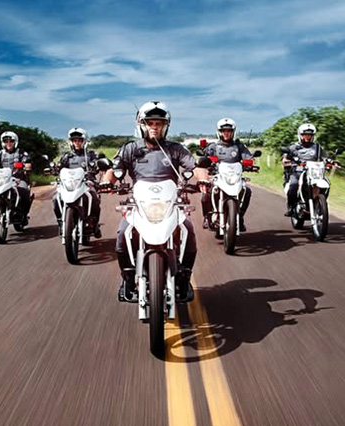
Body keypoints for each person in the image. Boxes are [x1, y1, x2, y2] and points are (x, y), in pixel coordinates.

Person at [101, 101, 209, 303]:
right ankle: (127, 278)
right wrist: (107, 182)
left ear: (165, 126)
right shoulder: (130, 148)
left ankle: (184, 277)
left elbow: (195, 166)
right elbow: (114, 169)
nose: (154, 127)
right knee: (123, 232)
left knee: (187, 229)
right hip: (139, 203)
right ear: (141, 125)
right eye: (149, 123)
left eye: (158, 123)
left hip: (170, 202)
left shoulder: (176, 149)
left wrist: (203, 180)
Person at [200, 118, 254, 231]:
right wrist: (205, 162)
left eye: (229, 131)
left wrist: (250, 164)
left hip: (234, 176)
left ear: (233, 132)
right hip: (218, 175)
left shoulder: (239, 146)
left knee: (247, 191)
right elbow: (205, 157)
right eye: (223, 131)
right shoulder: (213, 146)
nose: (226, 133)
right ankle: (206, 217)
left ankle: (240, 217)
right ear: (219, 132)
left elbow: (248, 157)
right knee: (206, 193)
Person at [52, 127, 102, 238]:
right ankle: (61, 222)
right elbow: (59, 167)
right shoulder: (66, 156)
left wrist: (96, 165)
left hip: (86, 182)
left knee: (94, 196)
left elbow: (97, 163)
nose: (77, 143)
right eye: (74, 140)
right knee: (56, 198)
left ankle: (94, 224)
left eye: (79, 140)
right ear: (71, 142)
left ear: (84, 141)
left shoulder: (90, 155)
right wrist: (54, 169)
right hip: (69, 184)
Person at [281, 123, 327, 216]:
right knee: (293, 185)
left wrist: (331, 162)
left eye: (310, 135)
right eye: (305, 134)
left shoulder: (318, 147)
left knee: (326, 184)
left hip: (314, 172)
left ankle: (319, 204)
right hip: (298, 171)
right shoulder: (294, 147)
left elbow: (325, 158)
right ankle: (291, 207)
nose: (307, 137)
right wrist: (287, 162)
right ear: (300, 135)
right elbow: (285, 159)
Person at [0, 131, 33, 224]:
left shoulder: (21, 153)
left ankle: (24, 214)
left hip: (18, 179)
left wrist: (26, 167)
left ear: (15, 142)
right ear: (3, 142)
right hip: (3, 179)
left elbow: (27, 162)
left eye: (11, 141)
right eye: (6, 141)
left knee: (24, 192)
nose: (8, 143)